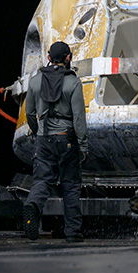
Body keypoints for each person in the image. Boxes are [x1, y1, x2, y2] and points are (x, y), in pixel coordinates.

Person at [22, 41, 88, 241]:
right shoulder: (73, 83)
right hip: (66, 139)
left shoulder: (35, 82)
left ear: (49, 58)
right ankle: (72, 232)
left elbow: (29, 113)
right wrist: (83, 145)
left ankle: (33, 205)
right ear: (68, 58)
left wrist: (38, 131)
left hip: (44, 139)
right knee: (70, 185)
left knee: (42, 181)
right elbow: (78, 118)